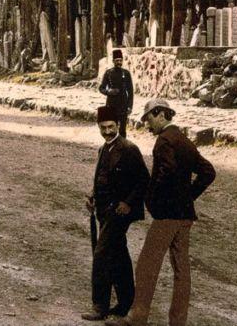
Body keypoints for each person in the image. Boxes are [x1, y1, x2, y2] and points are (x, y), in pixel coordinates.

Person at [106, 99, 216, 326]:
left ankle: (137, 317)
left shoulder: (164, 141)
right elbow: (208, 172)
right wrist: (187, 197)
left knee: (146, 265)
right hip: (185, 215)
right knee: (181, 271)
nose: (148, 126)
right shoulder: (184, 140)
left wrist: (152, 199)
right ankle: (178, 322)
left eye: (149, 119)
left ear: (160, 114)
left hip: (167, 215)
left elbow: (166, 171)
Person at [81, 106, 149, 322]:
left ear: (118, 125)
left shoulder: (129, 148)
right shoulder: (103, 149)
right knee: (118, 255)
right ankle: (126, 303)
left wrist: (128, 203)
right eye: (103, 128)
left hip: (119, 213)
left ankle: (99, 306)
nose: (108, 131)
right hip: (104, 211)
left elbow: (143, 181)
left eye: (111, 127)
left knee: (101, 255)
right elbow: (103, 178)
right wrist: (93, 196)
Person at [98, 49, 134, 137]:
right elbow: (101, 88)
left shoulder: (126, 73)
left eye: (120, 60)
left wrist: (130, 106)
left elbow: (130, 91)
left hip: (123, 104)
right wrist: (108, 91)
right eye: (117, 60)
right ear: (113, 61)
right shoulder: (108, 73)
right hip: (111, 104)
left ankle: (123, 147)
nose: (119, 62)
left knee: (122, 129)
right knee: (111, 128)